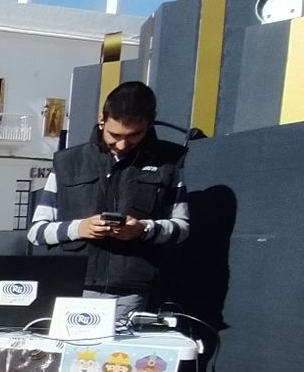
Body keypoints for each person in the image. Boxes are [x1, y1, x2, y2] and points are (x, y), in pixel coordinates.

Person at [29, 81, 190, 321]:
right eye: (115, 135)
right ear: (102, 120)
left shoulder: (170, 163)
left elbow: (182, 228)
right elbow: (37, 232)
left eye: (134, 135)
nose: (122, 144)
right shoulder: (68, 161)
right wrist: (80, 228)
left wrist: (143, 229)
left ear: (150, 123)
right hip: (69, 286)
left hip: (130, 291)